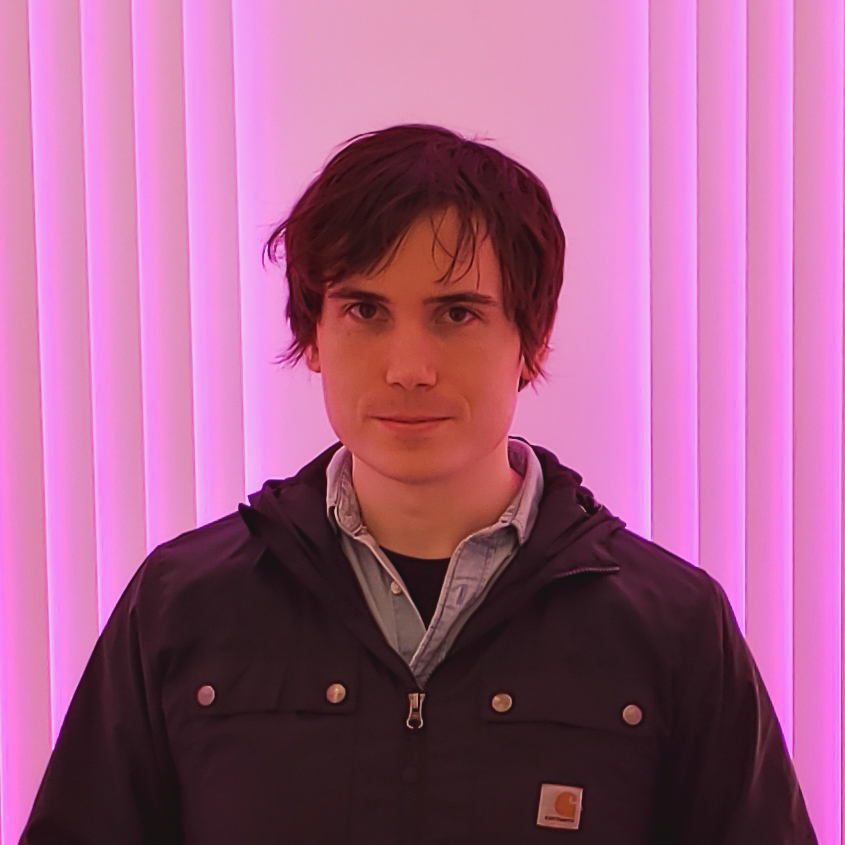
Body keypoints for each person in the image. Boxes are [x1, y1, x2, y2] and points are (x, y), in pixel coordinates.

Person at [19, 124, 817, 844]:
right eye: (365, 311)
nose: (408, 369)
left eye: (456, 313)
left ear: (531, 339)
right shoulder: (179, 605)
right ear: (313, 335)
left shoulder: (674, 626)